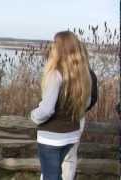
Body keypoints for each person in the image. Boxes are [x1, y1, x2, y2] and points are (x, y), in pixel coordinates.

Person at [30, 31, 92, 180]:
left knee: (51, 176)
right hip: (71, 135)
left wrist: (33, 115)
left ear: (60, 48)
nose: (52, 47)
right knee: (57, 175)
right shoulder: (83, 74)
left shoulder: (55, 74)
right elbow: (87, 103)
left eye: (54, 44)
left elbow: (47, 110)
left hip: (51, 137)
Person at [61, 44, 98, 180]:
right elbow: (93, 98)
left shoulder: (60, 71)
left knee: (55, 157)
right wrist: (81, 109)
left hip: (63, 119)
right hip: (77, 118)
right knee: (69, 157)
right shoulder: (89, 73)